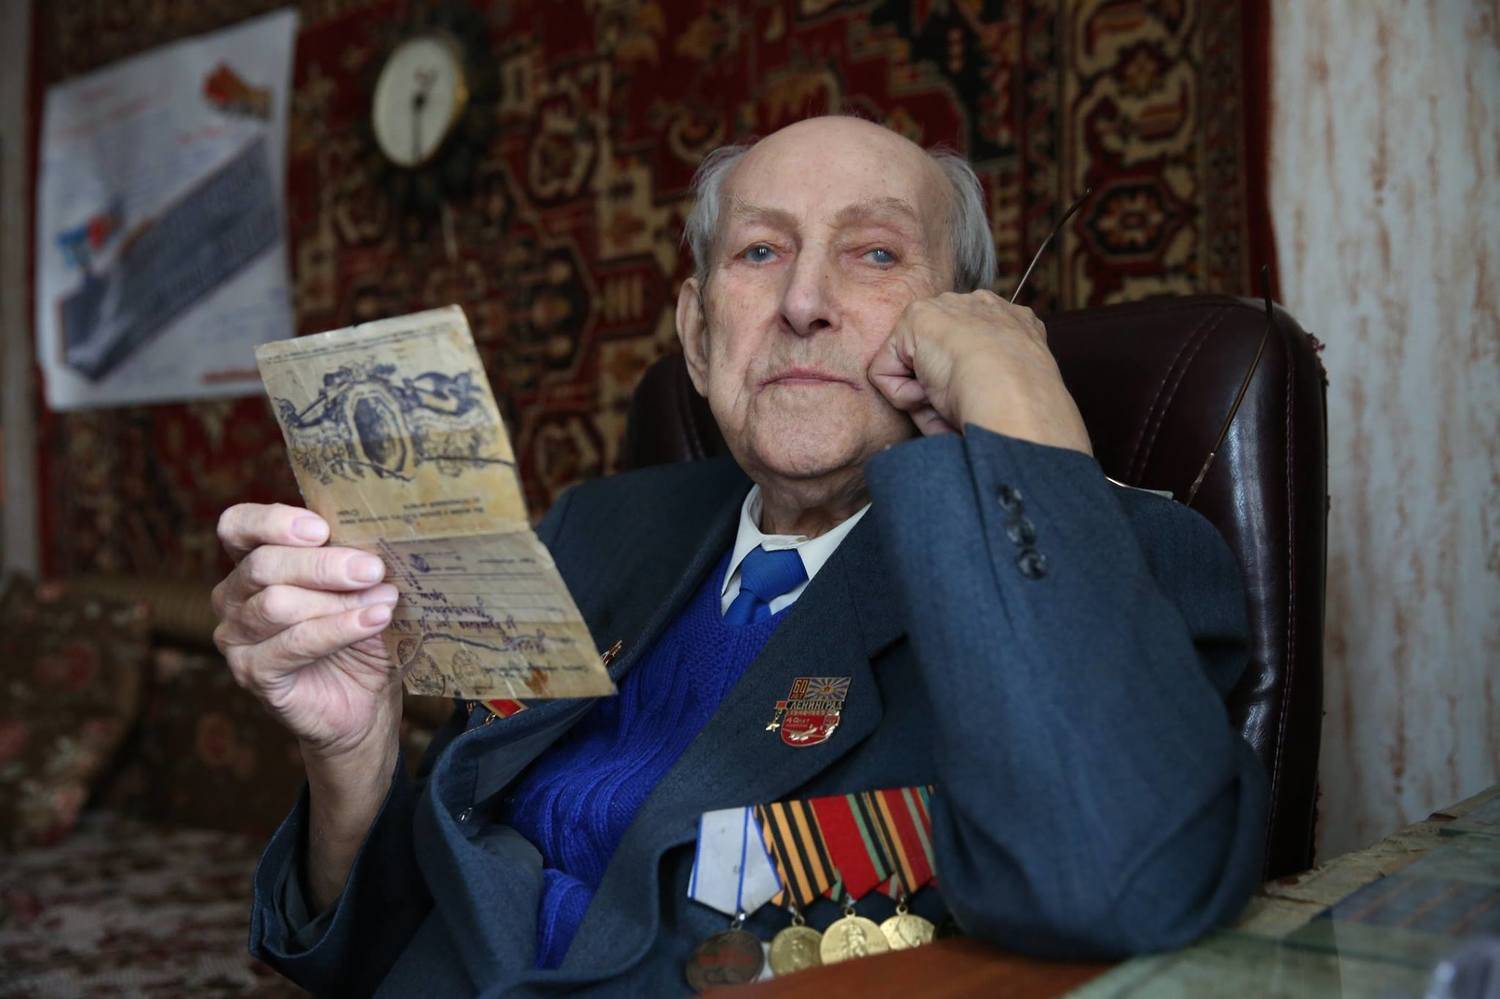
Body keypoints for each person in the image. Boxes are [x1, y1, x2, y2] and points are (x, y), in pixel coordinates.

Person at [212, 116, 1267, 995]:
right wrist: (353, 760)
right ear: (697, 331)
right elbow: (408, 936)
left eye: (876, 254)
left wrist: (1019, 405)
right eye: (759, 252)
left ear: (968, 321)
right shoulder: (594, 533)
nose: (804, 302)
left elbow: (1116, 885)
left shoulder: (1129, 555)